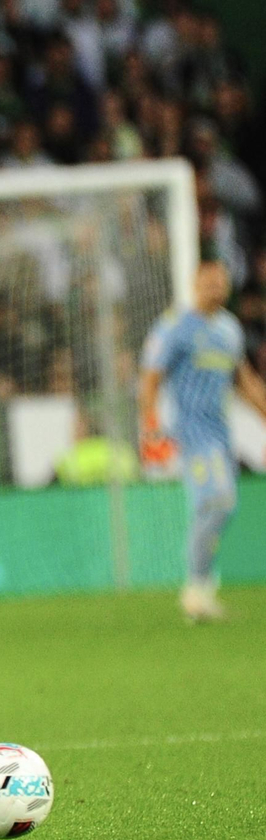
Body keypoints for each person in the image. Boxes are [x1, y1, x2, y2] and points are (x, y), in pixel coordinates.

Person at [138, 260, 266, 622]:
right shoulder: (174, 326)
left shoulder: (229, 329)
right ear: (195, 284)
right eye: (208, 282)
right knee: (218, 502)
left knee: (219, 506)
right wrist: (149, 428)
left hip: (221, 433)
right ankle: (196, 588)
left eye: (221, 282)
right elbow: (150, 378)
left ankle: (201, 588)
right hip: (191, 433)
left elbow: (243, 380)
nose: (216, 288)